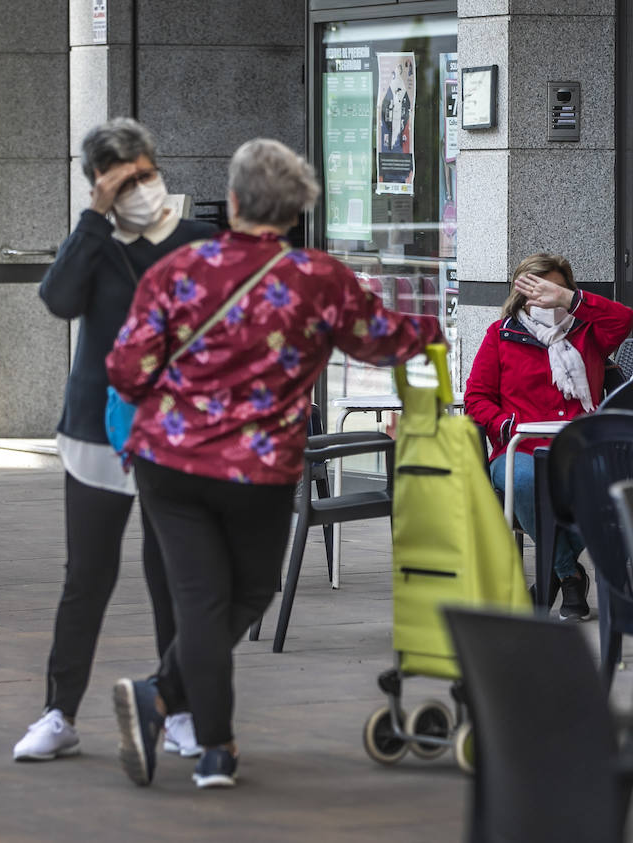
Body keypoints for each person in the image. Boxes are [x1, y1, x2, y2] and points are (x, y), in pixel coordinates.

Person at [105, 138, 442, 789]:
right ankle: (208, 740)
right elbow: (383, 340)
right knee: (252, 590)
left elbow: (124, 367)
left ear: (232, 201)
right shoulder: (319, 278)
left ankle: (181, 716)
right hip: (259, 469)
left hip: (170, 463)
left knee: (203, 600)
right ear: (294, 213)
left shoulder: (177, 270)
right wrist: (431, 336)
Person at [14, 118, 214, 764]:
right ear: (99, 184)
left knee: (172, 573)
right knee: (88, 575)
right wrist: (94, 219)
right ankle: (58, 713)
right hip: (96, 430)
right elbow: (58, 300)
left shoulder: (196, 243)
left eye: (147, 172)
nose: (142, 187)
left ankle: (179, 707)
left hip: (174, 434)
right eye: (125, 179)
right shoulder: (93, 245)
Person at [464, 253, 633, 621]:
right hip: (520, 447)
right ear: (520, 294)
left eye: (553, 288)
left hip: (581, 447)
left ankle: (552, 580)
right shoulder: (501, 335)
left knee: (607, 481)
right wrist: (506, 425)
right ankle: (569, 574)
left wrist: (569, 301)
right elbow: (476, 397)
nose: (544, 297)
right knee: (527, 481)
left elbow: (625, 319)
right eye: (536, 289)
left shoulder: (588, 331)